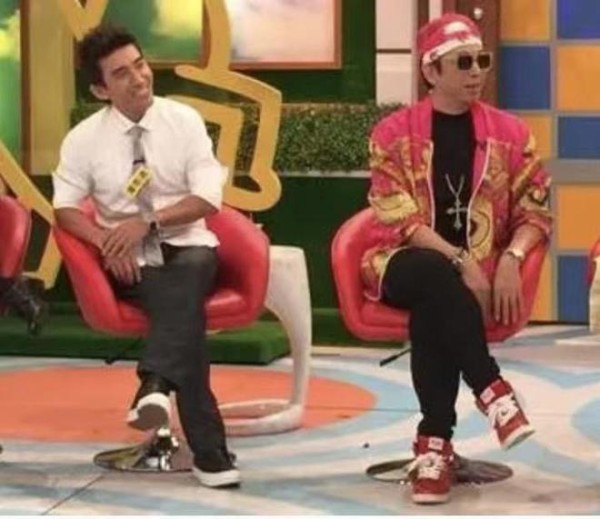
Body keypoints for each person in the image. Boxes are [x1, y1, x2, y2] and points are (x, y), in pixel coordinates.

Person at [362, 13, 552, 504]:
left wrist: (511, 258)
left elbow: (536, 209)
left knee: (437, 304)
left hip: (468, 280)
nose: (476, 72)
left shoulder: (511, 134)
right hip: (400, 262)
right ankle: (492, 388)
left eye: (480, 61)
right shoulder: (392, 133)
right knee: (434, 272)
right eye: (462, 63)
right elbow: (398, 218)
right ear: (431, 71)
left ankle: (434, 447)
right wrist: (460, 260)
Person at [52, 24, 239, 489]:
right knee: (182, 310)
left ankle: (155, 384)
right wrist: (104, 241)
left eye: (140, 64)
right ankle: (209, 454)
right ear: (100, 90)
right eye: (121, 73)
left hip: (189, 246)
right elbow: (64, 208)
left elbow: (208, 197)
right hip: (130, 262)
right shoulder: (83, 139)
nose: (139, 78)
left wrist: (148, 222)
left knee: (189, 272)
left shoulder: (184, 121)